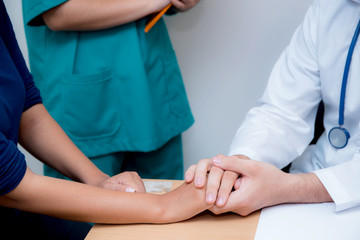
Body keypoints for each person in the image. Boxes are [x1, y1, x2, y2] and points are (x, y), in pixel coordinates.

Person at [0, 2, 210, 239]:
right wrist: (164, 207)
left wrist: (99, 180)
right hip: (86, 104)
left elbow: (28, 107)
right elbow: (11, 183)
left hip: (151, 88)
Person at [185, 0, 360, 216]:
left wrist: (291, 188)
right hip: (311, 188)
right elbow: (282, 112)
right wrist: (240, 163)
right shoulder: (329, 8)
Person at [22, 0, 200, 180]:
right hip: (87, 106)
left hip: (153, 89)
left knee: (169, 201)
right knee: (88, 203)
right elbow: (57, 14)